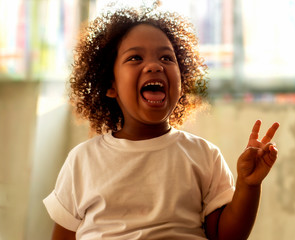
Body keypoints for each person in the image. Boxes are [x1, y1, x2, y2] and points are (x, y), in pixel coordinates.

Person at [43, 5, 280, 240]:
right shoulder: (82, 160)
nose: (155, 66)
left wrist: (248, 185)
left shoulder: (204, 155)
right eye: (135, 57)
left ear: (182, 78)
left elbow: (225, 236)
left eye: (167, 57)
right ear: (110, 84)